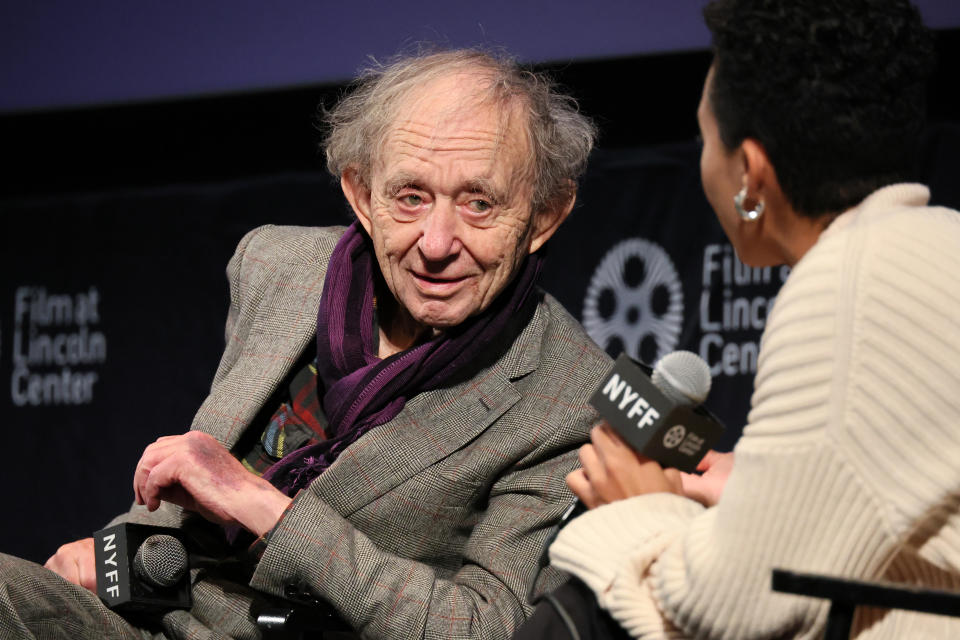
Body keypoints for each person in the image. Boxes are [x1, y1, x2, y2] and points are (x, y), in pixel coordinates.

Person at [0, 50, 611, 639]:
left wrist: (269, 511)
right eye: (411, 197)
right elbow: (187, 511)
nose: (436, 241)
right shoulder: (278, 267)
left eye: (478, 203)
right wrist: (111, 556)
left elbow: (492, 629)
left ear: (546, 215)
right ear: (362, 196)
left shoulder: (571, 398)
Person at [519, 0, 960, 638]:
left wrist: (640, 507)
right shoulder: (933, 243)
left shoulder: (845, 284)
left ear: (749, 174)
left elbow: (727, 610)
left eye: (705, 139)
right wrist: (763, 490)